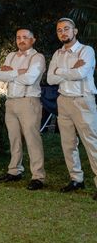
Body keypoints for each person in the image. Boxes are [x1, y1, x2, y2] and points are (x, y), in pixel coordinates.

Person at [47, 18, 97, 199]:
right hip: (63, 101)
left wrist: (60, 71)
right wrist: (67, 70)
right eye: (59, 30)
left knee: (92, 142)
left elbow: (81, 73)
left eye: (66, 29)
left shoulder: (86, 50)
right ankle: (76, 179)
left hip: (82, 101)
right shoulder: (57, 54)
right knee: (68, 143)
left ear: (75, 31)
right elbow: (50, 79)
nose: (63, 33)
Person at [0, 28, 46, 191]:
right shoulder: (10, 56)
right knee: (14, 138)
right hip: (11, 102)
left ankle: (38, 176)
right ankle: (14, 170)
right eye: (18, 37)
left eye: (25, 37)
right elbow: (0, 75)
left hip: (28, 102)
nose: (21, 40)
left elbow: (30, 78)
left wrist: (11, 73)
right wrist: (19, 72)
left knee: (32, 139)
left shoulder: (37, 57)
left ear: (33, 40)